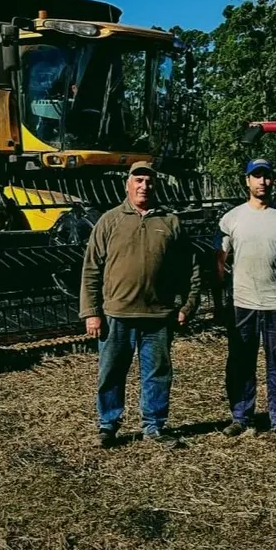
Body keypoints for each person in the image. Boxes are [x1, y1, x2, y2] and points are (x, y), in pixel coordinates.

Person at [79, 161, 201, 448]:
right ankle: (108, 425)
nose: (144, 186)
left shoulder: (171, 222)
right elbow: (91, 268)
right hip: (116, 314)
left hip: (158, 316)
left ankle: (154, 426)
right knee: (111, 372)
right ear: (128, 185)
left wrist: (188, 305)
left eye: (148, 181)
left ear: (155, 186)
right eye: (138, 180)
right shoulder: (109, 220)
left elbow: (191, 267)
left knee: (157, 374)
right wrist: (92, 312)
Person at [214, 158, 276, 445]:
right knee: (240, 362)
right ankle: (241, 417)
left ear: (272, 180)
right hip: (242, 304)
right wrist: (220, 303)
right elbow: (219, 262)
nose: (262, 182)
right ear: (247, 181)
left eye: (266, 176)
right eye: (256, 176)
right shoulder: (231, 218)